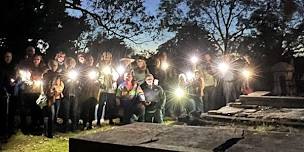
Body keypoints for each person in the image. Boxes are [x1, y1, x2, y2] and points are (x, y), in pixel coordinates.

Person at [42, 60, 64, 138]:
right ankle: (49, 133)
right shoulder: (46, 75)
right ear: (49, 66)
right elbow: (44, 86)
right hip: (49, 97)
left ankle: (52, 131)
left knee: (55, 115)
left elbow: (61, 86)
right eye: (52, 65)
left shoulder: (59, 75)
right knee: (50, 114)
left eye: (55, 65)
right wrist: (49, 91)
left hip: (57, 97)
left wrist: (56, 89)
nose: (54, 66)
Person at [96, 52, 119, 126]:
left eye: (108, 57)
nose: (106, 58)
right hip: (103, 89)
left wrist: (114, 78)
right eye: (105, 57)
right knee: (101, 105)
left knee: (110, 105)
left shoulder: (113, 66)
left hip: (111, 89)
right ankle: (98, 121)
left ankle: (110, 119)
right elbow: (97, 75)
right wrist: (100, 81)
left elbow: (117, 75)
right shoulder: (99, 65)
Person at [80, 54, 99, 129]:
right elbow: (80, 79)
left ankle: (90, 124)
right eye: (88, 60)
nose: (90, 61)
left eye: (91, 60)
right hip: (86, 92)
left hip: (94, 92)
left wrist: (97, 81)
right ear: (85, 61)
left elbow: (99, 78)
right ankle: (84, 124)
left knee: (92, 108)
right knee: (85, 109)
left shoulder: (96, 69)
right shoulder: (82, 69)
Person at [62, 57, 80, 131]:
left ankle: (74, 127)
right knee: (66, 111)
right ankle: (65, 127)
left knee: (74, 111)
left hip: (74, 94)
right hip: (66, 94)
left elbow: (79, 82)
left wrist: (77, 82)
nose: (70, 64)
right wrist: (67, 80)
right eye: (68, 63)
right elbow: (61, 81)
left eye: (72, 63)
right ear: (66, 64)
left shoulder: (76, 72)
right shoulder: (63, 72)